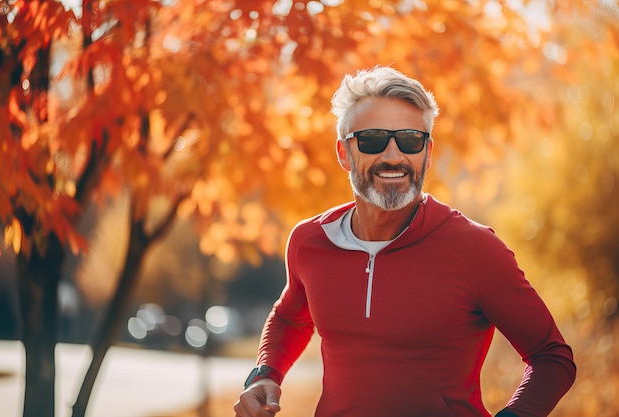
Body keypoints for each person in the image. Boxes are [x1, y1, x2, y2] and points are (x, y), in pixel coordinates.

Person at [233, 66, 576, 417]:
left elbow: (551, 356)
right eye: (372, 139)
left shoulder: (474, 249)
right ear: (343, 152)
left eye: (410, 139)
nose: (394, 157)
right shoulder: (309, 242)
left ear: (427, 152)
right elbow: (290, 316)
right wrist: (265, 375)